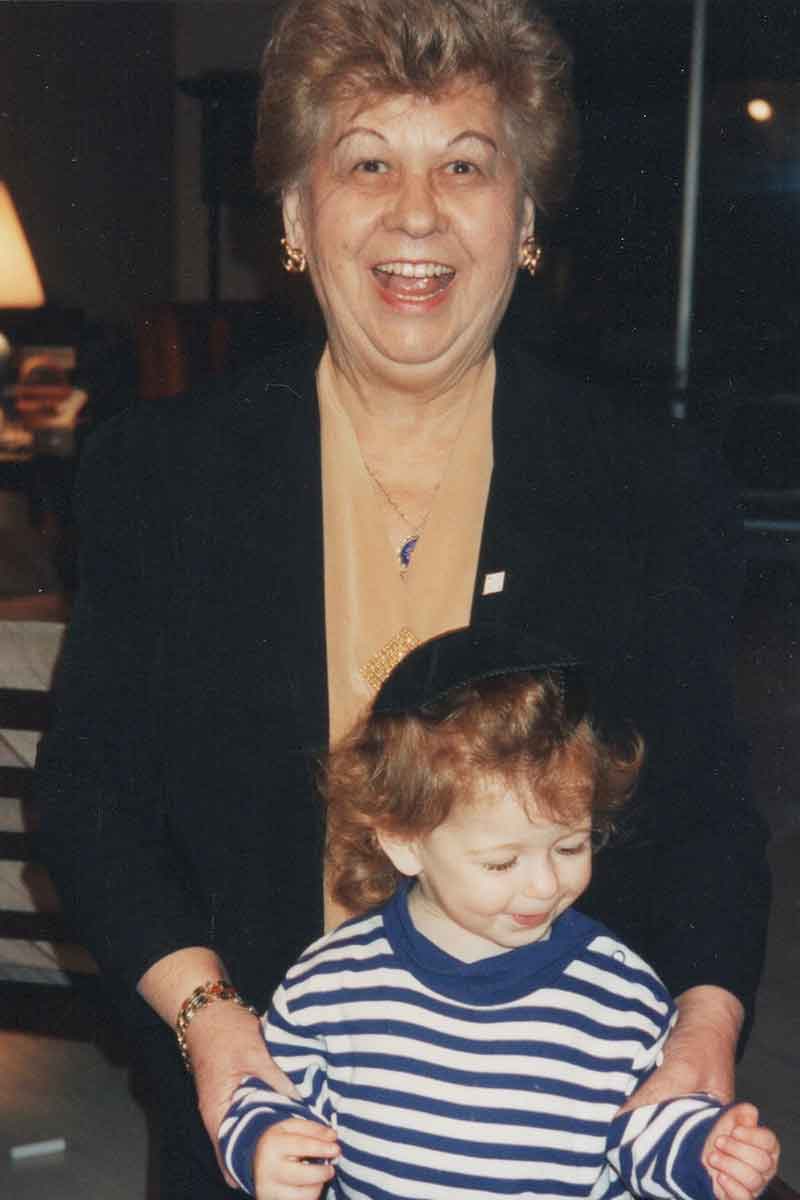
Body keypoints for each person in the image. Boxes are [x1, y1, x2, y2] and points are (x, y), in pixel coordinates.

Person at [35, 1, 770, 1195]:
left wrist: (700, 1032)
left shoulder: (650, 485)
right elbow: (91, 800)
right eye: (367, 162)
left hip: (562, 1138)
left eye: (465, 166)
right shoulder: (161, 474)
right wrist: (214, 1027)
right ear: (294, 218)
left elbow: (706, 819)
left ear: (523, 222)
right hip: (263, 1119)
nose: (415, 212)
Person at [218, 627, 779, 1200]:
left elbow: (651, 1133)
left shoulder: (621, 995)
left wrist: (707, 1156)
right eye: (502, 862)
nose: (545, 885)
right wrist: (262, 1145)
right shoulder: (332, 980)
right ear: (404, 841)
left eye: (570, 847)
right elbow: (268, 1094)